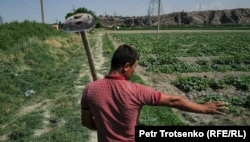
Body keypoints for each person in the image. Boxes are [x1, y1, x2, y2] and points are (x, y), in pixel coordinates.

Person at [81, 44, 228, 142]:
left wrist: (103, 128)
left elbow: (86, 122)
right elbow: (173, 100)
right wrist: (204, 108)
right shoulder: (136, 91)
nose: (135, 70)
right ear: (126, 66)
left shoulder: (90, 89)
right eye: (135, 67)